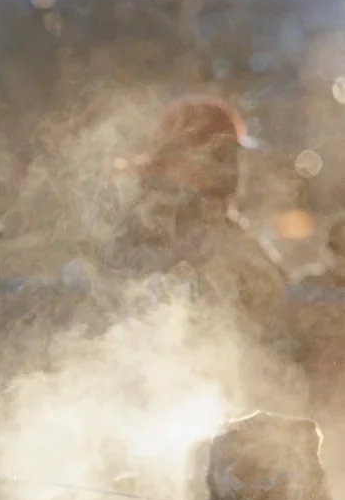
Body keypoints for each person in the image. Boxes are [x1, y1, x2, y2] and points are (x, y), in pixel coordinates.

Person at [105, 96, 289, 344]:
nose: (232, 170)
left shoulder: (225, 228)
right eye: (220, 155)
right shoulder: (145, 226)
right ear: (175, 160)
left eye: (233, 155)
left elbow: (278, 300)